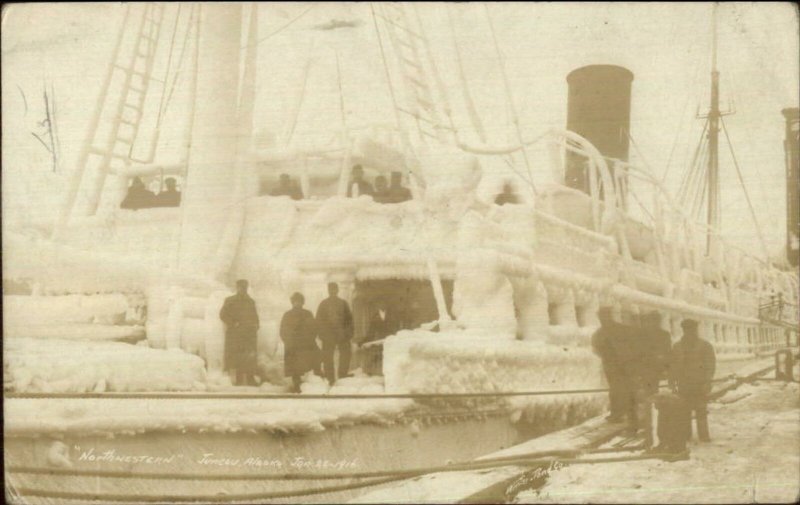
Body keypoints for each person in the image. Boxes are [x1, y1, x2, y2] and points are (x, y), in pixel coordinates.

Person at [669, 318, 716, 442]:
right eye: (687, 329)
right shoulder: (677, 347)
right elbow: (673, 365)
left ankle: (704, 436)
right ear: (684, 330)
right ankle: (686, 435)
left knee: (701, 410)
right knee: (684, 410)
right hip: (683, 384)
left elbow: (710, 365)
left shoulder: (705, 346)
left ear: (696, 330)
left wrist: (708, 381)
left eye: (693, 329)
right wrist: (672, 382)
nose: (691, 332)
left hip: (699, 384)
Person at [591, 307, 638, 429]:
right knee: (616, 390)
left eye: (604, 316)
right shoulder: (601, 332)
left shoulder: (619, 329)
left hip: (623, 365)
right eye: (601, 316)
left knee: (624, 389)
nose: (602, 318)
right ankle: (618, 414)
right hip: (612, 365)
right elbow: (596, 348)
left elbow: (634, 341)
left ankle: (627, 415)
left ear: (608, 316)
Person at [219, 280, 260, 386]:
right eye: (241, 287)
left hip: (249, 334)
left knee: (250, 357)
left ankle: (250, 379)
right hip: (236, 333)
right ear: (237, 287)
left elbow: (255, 316)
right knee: (238, 357)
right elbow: (223, 314)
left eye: (245, 287)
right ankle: (239, 380)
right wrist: (233, 323)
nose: (243, 289)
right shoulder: (230, 300)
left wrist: (256, 325)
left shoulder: (251, 301)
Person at [279, 292, 322, 393]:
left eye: (299, 301)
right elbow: (283, 331)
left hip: (305, 343)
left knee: (317, 355)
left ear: (302, 303)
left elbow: (314, 328)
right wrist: (288, 342)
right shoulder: (287, 315)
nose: (297, 304)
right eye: (295, 301)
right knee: (294, 365)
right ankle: (296, 383)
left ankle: (315, 380)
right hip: (292, 345)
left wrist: (309, 339)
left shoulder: (307, 314)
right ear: (292, 302)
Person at [316, 282, 354, 385]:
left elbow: (349, 320)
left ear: (337, 290)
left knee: (346, 353)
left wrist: (348, 333)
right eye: (330, 289)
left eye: (334, 289)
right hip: (328, 335)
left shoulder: (343, 303)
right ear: (328, 291)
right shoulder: (323, 304)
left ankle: (343, 374)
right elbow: (319, 320)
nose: (332, 291)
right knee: (327, 356)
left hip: (342, 334)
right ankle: (330, 378)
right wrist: (322, 334)